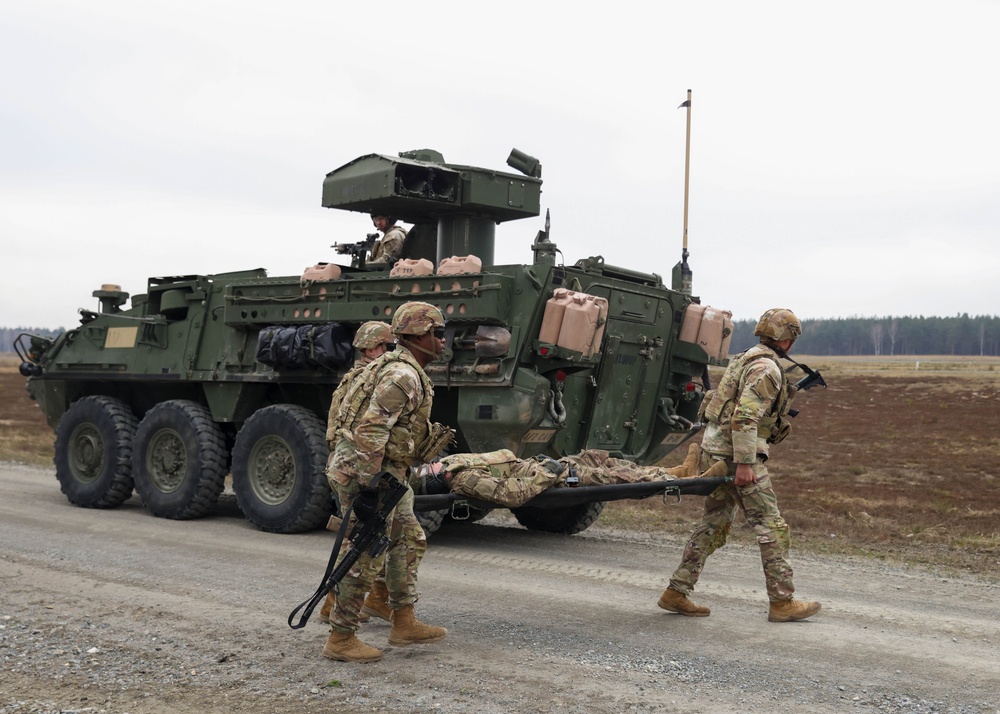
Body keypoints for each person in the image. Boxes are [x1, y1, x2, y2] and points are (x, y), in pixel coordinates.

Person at [657, 308, 821, 623]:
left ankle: (676, 592)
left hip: (714, 451)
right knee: (772, 526)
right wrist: (745, 463)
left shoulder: (746, 357)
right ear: (786, 339)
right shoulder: (767, 370)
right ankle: (782, 602)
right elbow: (745, 416)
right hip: (735, 459)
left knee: (714, 523)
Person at [323, 301, 449, 662]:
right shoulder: (403, 376)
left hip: (388, 472)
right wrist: (368, 484)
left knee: (409, 539)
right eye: (437, 333)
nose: (443, 340)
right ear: (418, 335)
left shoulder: (406, 369)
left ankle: (403, 621)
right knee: (367, 550)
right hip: (368, 471)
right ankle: (341, 637)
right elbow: (371, 429)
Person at [317, 321, 405, 625]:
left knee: (360, 538)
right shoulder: (370, 379)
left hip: (342, 465)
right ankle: (337, 609)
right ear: (374, 347)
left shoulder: (352, 379)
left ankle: (340, 604)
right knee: (361, 541)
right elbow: (370, 430)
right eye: (388, 346)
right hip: (355, 466)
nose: (390, 352)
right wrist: (370, 477)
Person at [420, 441, 725, 508]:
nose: (433, 465)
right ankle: (679, 479)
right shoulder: (463, 479)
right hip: (553, 477)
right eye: (429, 471)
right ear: (433, 480)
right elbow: (512, 494)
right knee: (603, 476)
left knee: (595, 456)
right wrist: (548, 473)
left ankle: (670, 471)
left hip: (537, 465)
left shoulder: (453, 463)